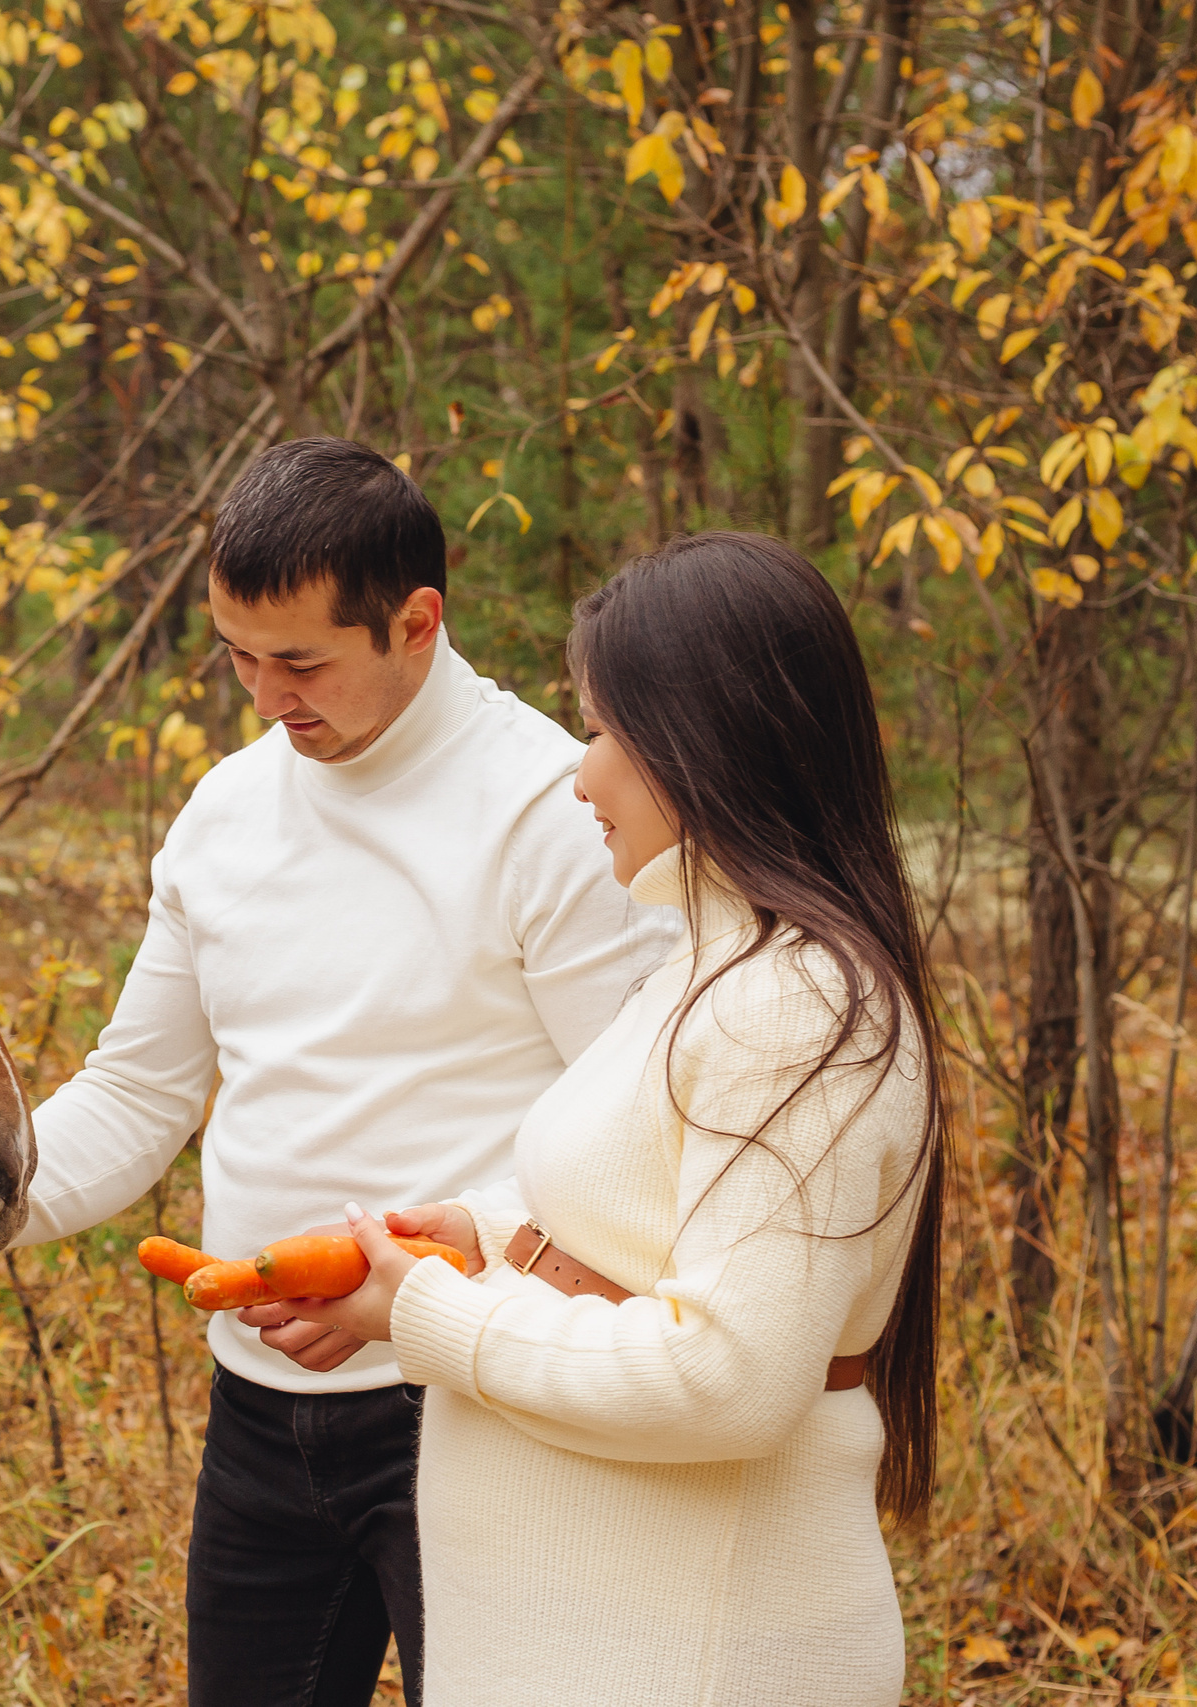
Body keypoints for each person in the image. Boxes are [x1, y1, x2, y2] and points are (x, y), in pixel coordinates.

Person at [0, 437, 679, 1705]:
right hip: (260, 1421)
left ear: (417, 621)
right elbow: (137, 1093)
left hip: (480, 1409)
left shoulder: (553, 808)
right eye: (236, 655)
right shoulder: (223, 813)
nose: (266, 693)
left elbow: (630, 1141)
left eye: (303, 660)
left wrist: (417, 1285)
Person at [284, 530, 945, 1705]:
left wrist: (434, 1313)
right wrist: (488, 1241)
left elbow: (729, 1375)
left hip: (693, 1657)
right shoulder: (715, 964)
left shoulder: (795, 1008)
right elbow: (651, 1224)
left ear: (709, 743)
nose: (579, 777)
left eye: (599, 732)